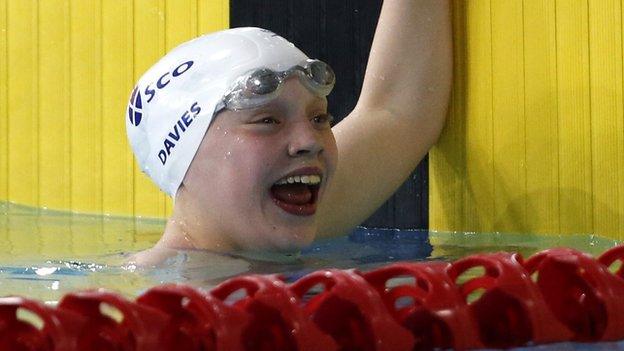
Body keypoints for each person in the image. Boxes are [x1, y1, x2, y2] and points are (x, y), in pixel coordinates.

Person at [126, 1, 452, 266]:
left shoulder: (274, 221)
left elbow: (398, 111)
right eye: (268, 121)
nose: (310, 142)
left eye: (319, 118)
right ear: (184, 157)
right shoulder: (139, 303)